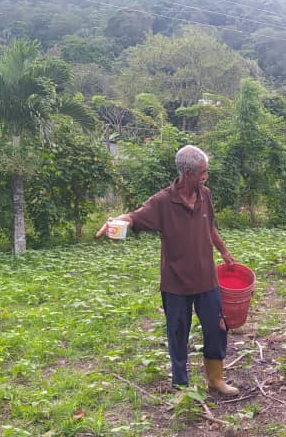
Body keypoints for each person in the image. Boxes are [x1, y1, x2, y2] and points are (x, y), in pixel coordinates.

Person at [97, 145, 239, 396]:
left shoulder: (205, 194)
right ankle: (181, 384)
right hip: (176, 283)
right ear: (188, 173)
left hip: (207, 279)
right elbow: (134, 216)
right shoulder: (163, 201)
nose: (206, 176)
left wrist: (224, 252)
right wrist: (117, 222)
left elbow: (210, 227)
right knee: (177, 333)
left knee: (217, 328)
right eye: (203, 172)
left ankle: (215, 380)